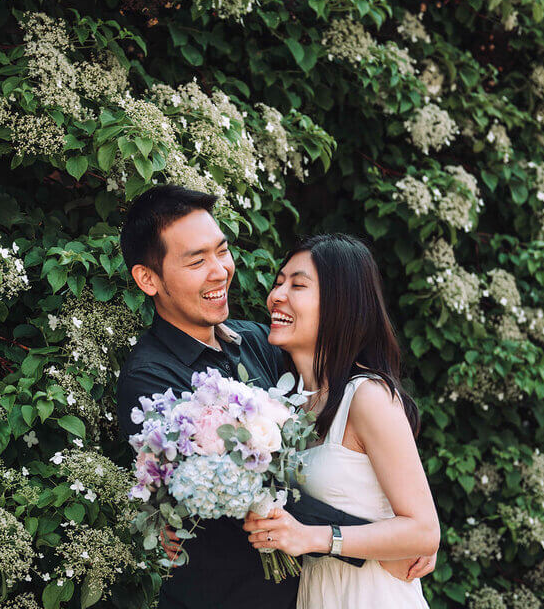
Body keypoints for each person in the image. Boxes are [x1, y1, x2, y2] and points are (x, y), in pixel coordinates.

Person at [115, 186, 392, 609]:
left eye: (221, 251)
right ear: (148, 279)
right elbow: (245, 494)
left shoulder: (257, 340)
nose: (219, 271)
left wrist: (402, 528)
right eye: (196, 260)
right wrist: (379, 539)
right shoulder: (150, 379)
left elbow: (341, 410)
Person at [243, 234, 440, 608]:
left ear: (341, 305)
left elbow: (425, 530)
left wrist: (314, 538)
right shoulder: (287, 407)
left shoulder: (368, 397)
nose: (276, 296)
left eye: (297, 285)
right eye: (279, 282)